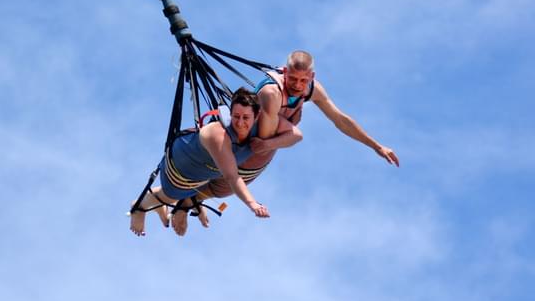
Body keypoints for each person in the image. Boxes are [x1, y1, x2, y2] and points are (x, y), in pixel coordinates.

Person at [191, 50, 399, 226]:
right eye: (292, 79)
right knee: (214, 189)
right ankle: (185, 202)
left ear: (312, 76)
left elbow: (340, 119)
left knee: (212, 192)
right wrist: (271, 143)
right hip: (249, 153)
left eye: (303, 80)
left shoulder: (311, 89)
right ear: (284, 71)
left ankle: (187, 203)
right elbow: (264, 139)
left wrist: (376, 146)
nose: (298, 85)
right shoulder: (272, 93)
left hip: (263, 154)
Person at [129, 87, 300, 237]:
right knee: (172, 194)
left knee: (203, 189)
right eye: (236, 116)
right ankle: (139, 206)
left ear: (257, 116)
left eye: (246, 118)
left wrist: (268, 144)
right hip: (182, 168)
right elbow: (232, 177)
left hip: (205, 172)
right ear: (230, 113)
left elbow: (296, 135)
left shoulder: (261, 125)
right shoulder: (219, 136)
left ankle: (169, 204)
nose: (240, 123)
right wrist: (253, 204)